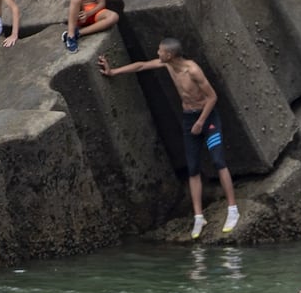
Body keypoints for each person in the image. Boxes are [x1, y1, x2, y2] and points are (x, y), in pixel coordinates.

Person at [98, 39, 240, 238]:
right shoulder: (167, 65)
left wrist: (200, 122)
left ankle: (232, 210)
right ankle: (199, 217)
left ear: (170, 55)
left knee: (218, 161)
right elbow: (141, 65)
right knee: (192, 168)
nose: (157, 53)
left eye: (160, 51)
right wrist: (113, 71)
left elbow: (212, 97)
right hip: (189, 119)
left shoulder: (193, 71)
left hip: (207, 119)